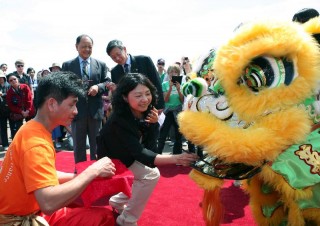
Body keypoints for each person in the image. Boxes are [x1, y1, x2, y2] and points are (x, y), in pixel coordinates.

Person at [0, 71, 116, 225]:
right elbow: (48, 203)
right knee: (105, 217)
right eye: (72, 104)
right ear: (52, 104)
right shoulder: (36, 143)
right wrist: (92, 171)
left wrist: (84, 177)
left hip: (21, 209)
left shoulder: (31, 128)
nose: (76, 111)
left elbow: (41, 173)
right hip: (20, 218)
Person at [96, 73, 198, 226]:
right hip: (113, 158)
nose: (144, 99)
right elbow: (141, 153)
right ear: (124, 97)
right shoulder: (119, 119)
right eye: (138, 95)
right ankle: (126, 221)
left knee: (150, 172)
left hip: (129, 154)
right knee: (150, 175)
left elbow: (151, 147)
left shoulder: (148, 111)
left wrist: (154, 124)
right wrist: (176, 158)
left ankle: (117, 201)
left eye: (147, 93)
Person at [62, 34, 110, 164]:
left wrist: (98, 87)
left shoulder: (101, 64)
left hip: (95, 111)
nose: (87, 49)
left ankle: (97, 171)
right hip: (76, 112)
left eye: (89, 47)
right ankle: (81, 174)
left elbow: (107, 82)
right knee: (79, 146)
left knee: (97, 145)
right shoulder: (67, 65)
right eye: (83, 46)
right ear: (76, 47)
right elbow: (63, 85)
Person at [106, 39, 165, 112]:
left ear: (124, 49)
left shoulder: (144, 61)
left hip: (148, 106)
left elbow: (156, 82)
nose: (117, 58)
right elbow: (120, 95)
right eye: (113, 57)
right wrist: (115, 90)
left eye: (118, 54)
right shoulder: (114, 71)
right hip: (129, 111)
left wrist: (159, 105)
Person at [157, 64, 185, 155]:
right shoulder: (164, 84)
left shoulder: (182, 84)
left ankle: (177, 155)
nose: (173, 73)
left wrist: (178, 89)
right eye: (171, 72)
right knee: (163, 134)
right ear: (168, 73)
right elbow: (166, 100)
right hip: (168, 111)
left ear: (178, 74)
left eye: (175, 72)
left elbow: (182, 100)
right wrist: (169, 88)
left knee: (178, 134)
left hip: (178, 111)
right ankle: (158, 155)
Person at [6, 73, 35, 139]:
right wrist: (21, 112)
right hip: (18, 113)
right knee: (18, 129)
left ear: (17, 79)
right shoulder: (9, 92)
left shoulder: (25, 87)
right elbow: (11, 106)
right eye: (11, 80)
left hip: (29, 111)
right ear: (9, 82)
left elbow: (29, 100)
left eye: (14, 79)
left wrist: (27, 111)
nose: (13, 81)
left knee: (32, 127)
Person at [0, 70, 10, 151]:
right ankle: (5, 144)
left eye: (1, 77)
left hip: (10, 109)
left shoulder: (9, 85)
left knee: (14, 128)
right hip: (0, 111)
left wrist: (2, 94)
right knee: (3, 128)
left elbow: (10, 94)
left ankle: (14, 143)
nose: (0, 79)